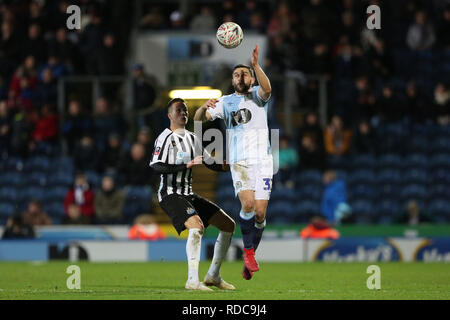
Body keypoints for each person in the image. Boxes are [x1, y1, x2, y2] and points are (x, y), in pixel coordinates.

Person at [194, 45, 273, 281]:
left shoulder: (259, 96)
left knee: (259, 213)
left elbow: (268, 88)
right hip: (240, 161)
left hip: (264, 161)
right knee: (248, 205)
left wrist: (257, 66)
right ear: (232, 79)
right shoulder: (225, 102)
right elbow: (199, 122)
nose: (241, 77)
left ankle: (250, 255)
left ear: (251, 78)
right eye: (237, 74)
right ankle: (248, 253)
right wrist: (201, 108)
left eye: (245, 74)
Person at [151, 98, 236, 291]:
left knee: (228, 225)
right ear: (169, 115)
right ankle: (192, 281)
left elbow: (208, 162)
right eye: (179, 110)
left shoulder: (192, 138)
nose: (183, 113)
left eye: (185, 110)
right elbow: (156, 166)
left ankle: (213, 276)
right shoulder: (164, 138)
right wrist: (185, 165)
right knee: (196, 228)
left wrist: (227, 166)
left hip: (188, 194)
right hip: (170, 194)